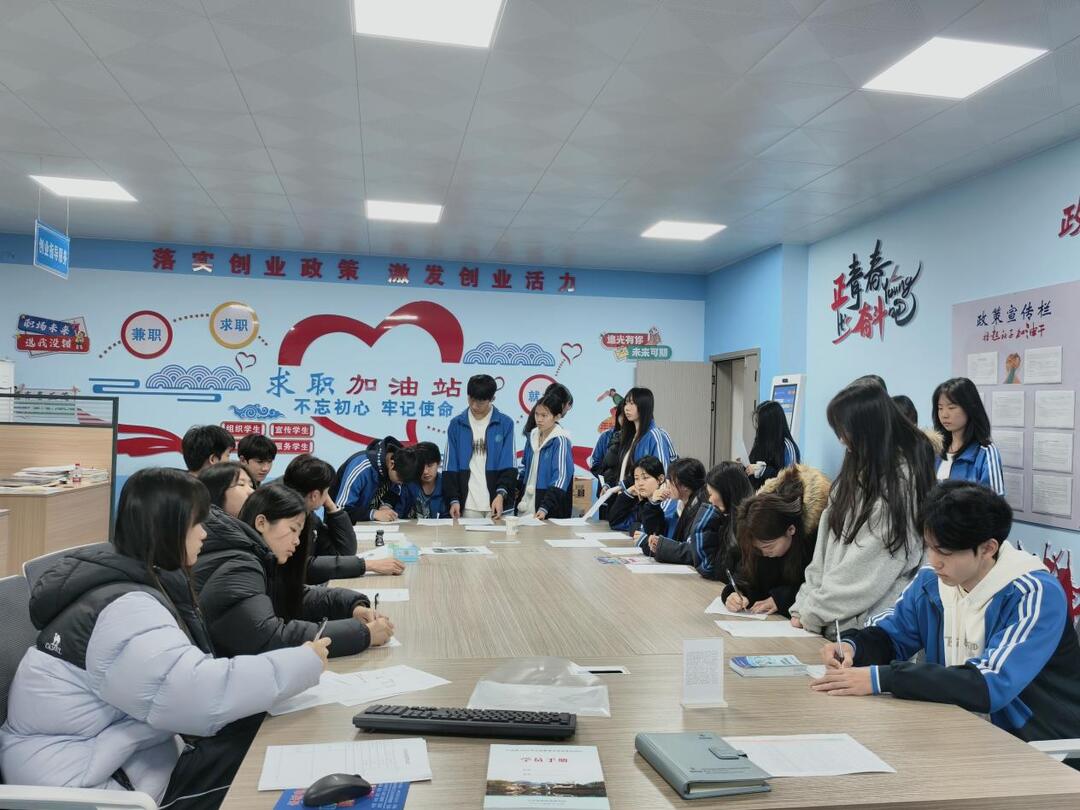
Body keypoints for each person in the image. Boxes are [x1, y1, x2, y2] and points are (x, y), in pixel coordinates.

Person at [0, 468, 327, 808]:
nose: (204, 534)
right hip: (95, 789)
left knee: (265, 737)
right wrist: (302, 662)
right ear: (171, 527)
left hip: (123, 763)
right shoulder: (124, 611)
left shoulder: (128, 584)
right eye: (197, 524)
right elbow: (200, 696)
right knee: (269, 767)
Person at [813, 482, 1080, 744]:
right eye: (929, 547)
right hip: (957, 727)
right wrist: (853, 647)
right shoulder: (932, 582)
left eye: (945, 552)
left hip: (1035, 743)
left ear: (988, 548)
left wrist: (883, 678)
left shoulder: (1034, 593)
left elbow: (990, 686)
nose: (934, 560)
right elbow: (892, 635)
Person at [790, 379, 934, 636]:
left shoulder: (901, 485)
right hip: (829, 620)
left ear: (868, 430)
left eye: (845, 430)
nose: (841, 439)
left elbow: (867, 571)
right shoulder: (854, 470)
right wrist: (803, 604)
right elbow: (824, 549)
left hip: (869, 632)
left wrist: (813, 611)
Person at [193, 482, 393, 658]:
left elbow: (294, 596)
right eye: (293, 529)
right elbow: (269, 637)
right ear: (261, 523)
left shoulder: (254, 556)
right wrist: (363, 634)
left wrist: (352, 606)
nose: (297, 541)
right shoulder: (240, 565)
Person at [723, 464, 829, 617]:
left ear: (790, 530)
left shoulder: (815, 539)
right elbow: (747, 577)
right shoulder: (760, 533)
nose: (764, 553)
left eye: (768, 546)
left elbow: (820, 587)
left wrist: (781, 599)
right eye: (758, 548)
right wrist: (735, 593)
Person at [282, 454, 405, 583]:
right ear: (314, 495)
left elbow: (345, 552)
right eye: (327, 491)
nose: (328, 496)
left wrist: (332, 507)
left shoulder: (309, 516)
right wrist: (367, 565)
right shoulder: (287, 519)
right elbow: (304, 568)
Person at [644, 459, 750, 580]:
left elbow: (706, 563)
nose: (710, 499)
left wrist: (660, 546)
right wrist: (653, 505)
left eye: (711, 494)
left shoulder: (707, 509)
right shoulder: (682, 507)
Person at [443, 374, 517, 519]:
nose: (474, 405)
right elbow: (450, 466)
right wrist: (453, 499)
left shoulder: (505, 424)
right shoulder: (456, 424)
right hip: (468, 504)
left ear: (492, 399)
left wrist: (501, 494)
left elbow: (509, 464)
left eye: (481, 402)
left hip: (497, 503)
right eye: (471, 399)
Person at [608, 387, 676, 530]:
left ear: (644, 406)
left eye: (632, 403)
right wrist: (622, 487)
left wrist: (656, 507)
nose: (627, 408)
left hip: (656, 505)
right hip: (640, 501)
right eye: (626, 403)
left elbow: (663, 476)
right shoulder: (632, 436)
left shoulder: (655, 435)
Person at [932, 376, 1006, 496]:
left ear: (969, 408)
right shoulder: (936, 450)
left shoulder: (985, 453)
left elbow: (995, 502)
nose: (944, 414)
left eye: (951, 407)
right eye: (940, 408)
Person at [332, 435, 420, 522]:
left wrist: (386, 506)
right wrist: (374, 514)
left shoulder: (399, 465)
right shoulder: (362, 467)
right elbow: (340, 510)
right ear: (392, 464)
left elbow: (395, 491)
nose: (401, 483)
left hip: (367, 524)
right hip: (340, 525)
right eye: (400, 479)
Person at [516, 390, 574, 519]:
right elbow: (524, 468)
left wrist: (545, 507)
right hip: (526, 503)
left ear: (557, 417)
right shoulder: (532, 436)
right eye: (537, 414)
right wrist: (517, 489)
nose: (539, 419)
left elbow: (561, 478)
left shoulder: (560, 440)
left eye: (544, 415)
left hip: (547, 507)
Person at [607, 456, 677, 539]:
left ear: (661, 479)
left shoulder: (668, 502)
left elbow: (655, 535)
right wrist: (628, 494)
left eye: (645, 478)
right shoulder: (644, 502)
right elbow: (616, 523)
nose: (640, 483)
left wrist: (637, 527)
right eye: (636, 478)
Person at [746, 400, 800, 489]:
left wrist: (763, 471)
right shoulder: (760, 443)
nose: (758, 427)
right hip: (758, 494)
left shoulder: (787, 447)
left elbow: (790, 479)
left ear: (769, 425)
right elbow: (752, 468)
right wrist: (743, 467)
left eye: (760, 423)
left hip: (777, 496)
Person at [589, 400, 625, 489]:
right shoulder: (606, 436)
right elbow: (595, 463)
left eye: (627, 416)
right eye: (621, 416)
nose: (624, 419)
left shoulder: (638, 438)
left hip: (628, 490)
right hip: (605, 488)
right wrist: (607, 479)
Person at [406, 441, 445, 519]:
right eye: (420, 466)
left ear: (439, 463)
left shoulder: (446, 484)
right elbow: (399, 513)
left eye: (430, 466)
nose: (425, 471)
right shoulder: (408, 484)